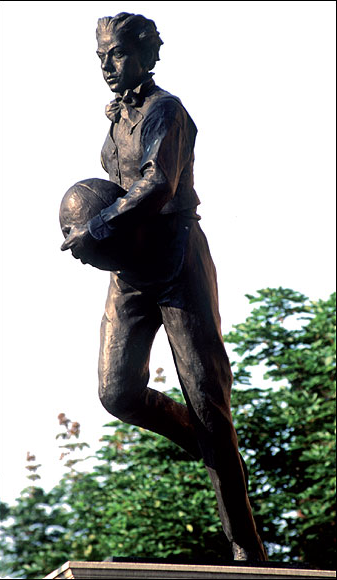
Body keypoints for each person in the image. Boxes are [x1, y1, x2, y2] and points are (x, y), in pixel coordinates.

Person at [61, 12, 267, 561]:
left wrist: (99, 225)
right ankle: (202, 440)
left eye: (119, 54)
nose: (108, 65)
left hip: (178, 261)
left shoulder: (165, 111)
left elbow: (157, 182)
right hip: (130, 269)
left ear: (147, 55)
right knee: (116, 392)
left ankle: (246, 546)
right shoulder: (115, 121)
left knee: (208, 402)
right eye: (102, 56)